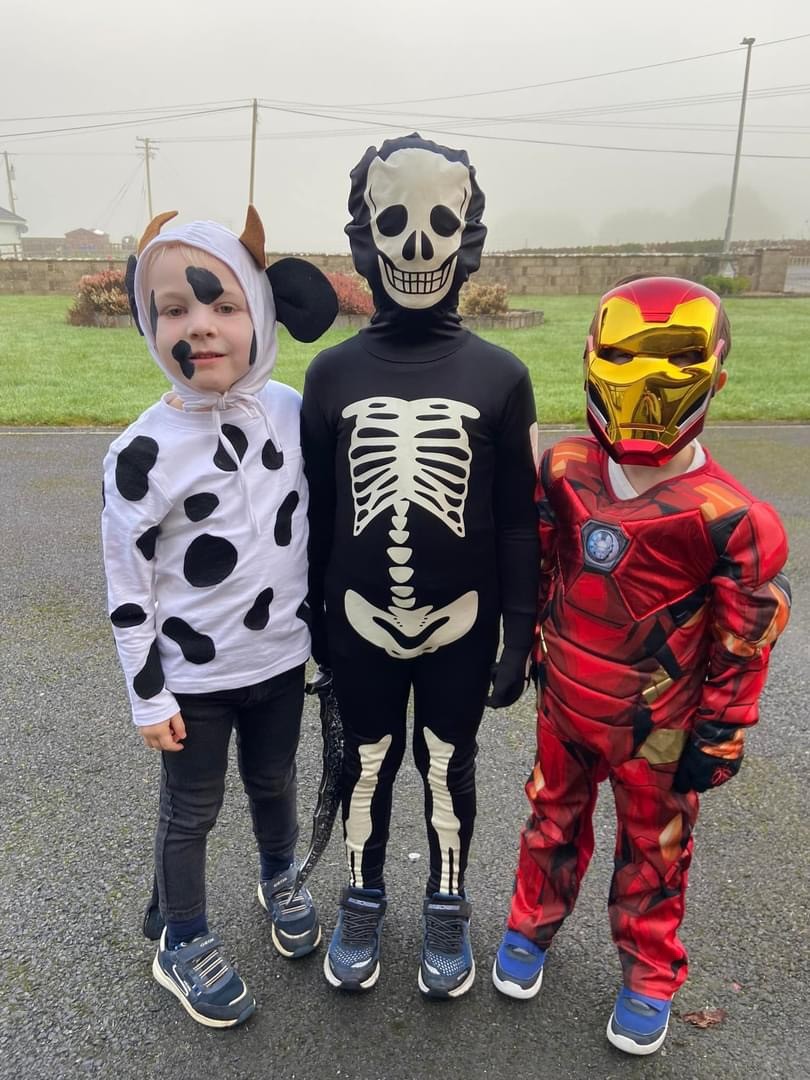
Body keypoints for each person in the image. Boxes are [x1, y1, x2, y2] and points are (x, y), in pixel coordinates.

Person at [491, 276, 791, 1055]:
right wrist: (520, 648)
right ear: (593, 358)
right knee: (550, 818)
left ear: (714, 373)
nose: (646, 383)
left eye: (674, 360)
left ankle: (650, 973)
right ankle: (530, 926)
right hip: (566, 701)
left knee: (655, 849)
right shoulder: (564, 470)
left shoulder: (730, 518)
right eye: (624, 356)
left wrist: (722, 730)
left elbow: (744, 639)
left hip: (659, 726)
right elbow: (538, 568)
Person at [302, 133, 539, 998]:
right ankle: (361, 898)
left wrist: (518, 635)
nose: (415, 247)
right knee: (362, 762)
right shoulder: (330, 376)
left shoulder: (501, 377)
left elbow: (517, 523)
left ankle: (447, 903)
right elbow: (319, 514)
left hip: (462, 624)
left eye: (438, 224)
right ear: (366, 236)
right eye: (394, 223)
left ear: (468, 238)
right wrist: (310, 621)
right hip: (356, 619)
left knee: (447, 763)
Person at [101, 208, 337, 1028]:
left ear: (263, 314)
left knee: (274, 781)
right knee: (191, 811)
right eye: (173, 308)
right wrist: (147, 695)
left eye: (223, 305)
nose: (199, 325)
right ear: (149, 324)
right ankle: (183, 937)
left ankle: (279, 877)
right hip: (192, 680)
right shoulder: (141, 454)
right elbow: (127, 586)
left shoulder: (290, 410)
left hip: (278, 660)